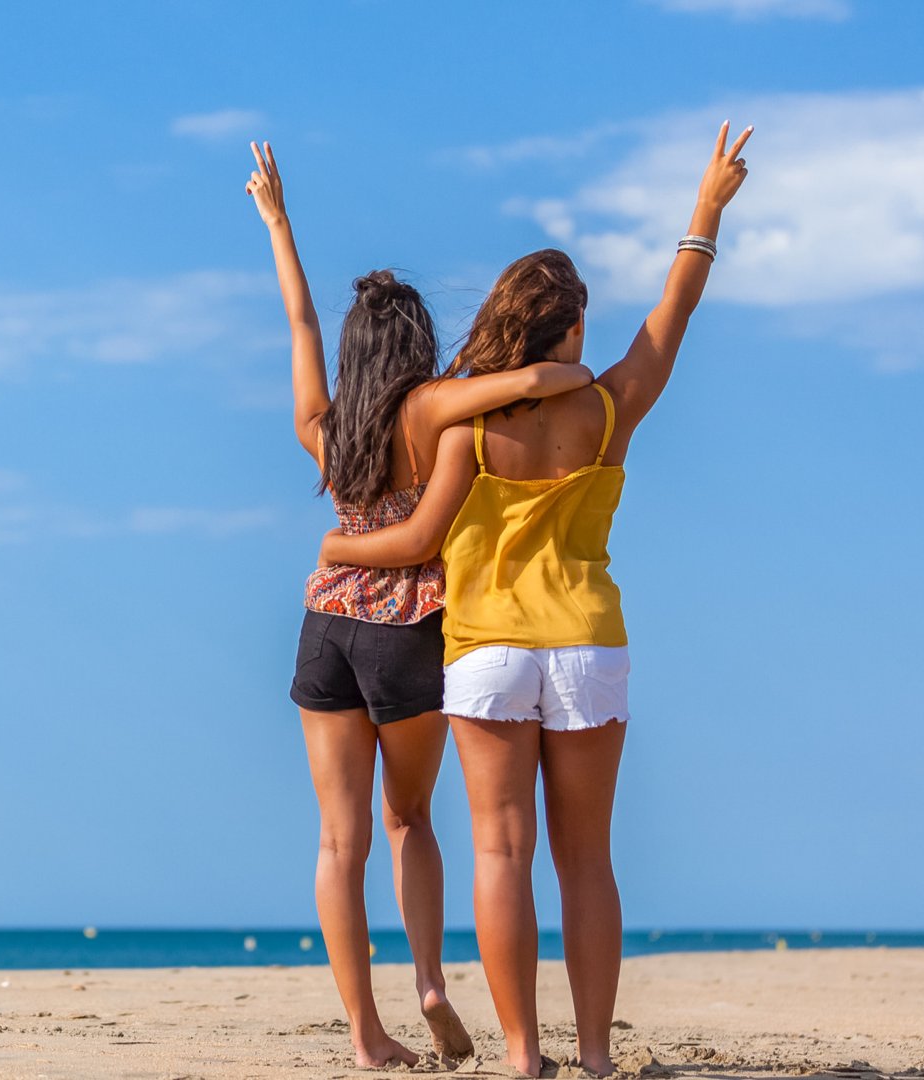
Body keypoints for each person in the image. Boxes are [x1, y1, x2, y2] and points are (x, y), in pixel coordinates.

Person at [318, 122, 754, 1076]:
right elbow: (672, 316)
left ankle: (522, 1057)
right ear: (568, 330)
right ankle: (594, 1056)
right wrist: (706, 211)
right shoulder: (609, 409)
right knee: (587, 859)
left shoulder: (466, 429)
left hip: (487, 652)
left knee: (501, 855)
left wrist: (340, 542)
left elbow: (420, 539)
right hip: (589, 644)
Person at [246, 141, 594, 1067]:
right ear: (415, 349)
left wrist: (278, 224)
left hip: (327, 634)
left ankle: (365, 1032)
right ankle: (431, 981)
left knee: (337, 839)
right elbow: (522, 381)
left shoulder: (318, 429)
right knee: (410, 821)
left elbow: (299, 324)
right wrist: (566, 376)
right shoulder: (433, 408)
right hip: (409, 638)